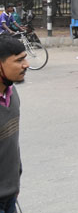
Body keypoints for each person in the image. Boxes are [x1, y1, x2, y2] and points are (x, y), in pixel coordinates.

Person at [0, 36, 29, 213]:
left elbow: (11, 145)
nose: (26, 64)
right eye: (19, 60)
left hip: (10, 194)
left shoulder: (12, 93)